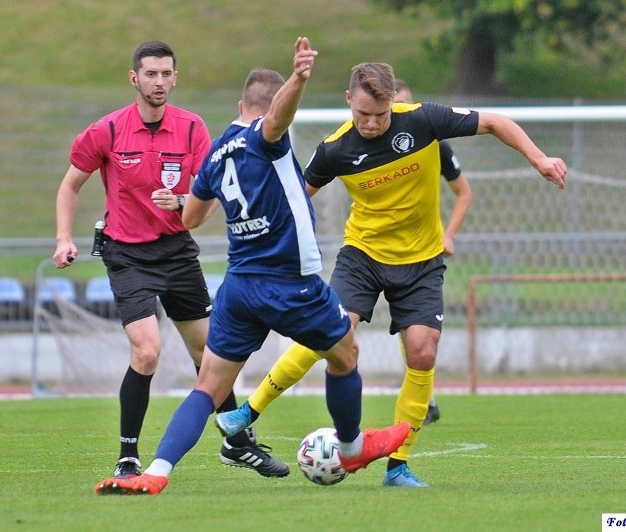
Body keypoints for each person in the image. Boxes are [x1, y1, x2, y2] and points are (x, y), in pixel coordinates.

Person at [216, 62, 566, 488]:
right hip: (362, 255)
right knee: (334, 332)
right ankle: (248, 411)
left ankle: (397, 466)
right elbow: (289, 198)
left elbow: (493, 121)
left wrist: (539, 157)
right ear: (349, 101)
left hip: (420, 261)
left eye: (381, 115)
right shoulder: (334, 150)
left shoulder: (421, 121)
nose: (372, 123)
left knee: (422, 352)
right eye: (364, 114)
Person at [94, 36, 410, 496]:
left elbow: (190, 218)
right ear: (265, 109)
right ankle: (351, 445)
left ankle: (156, 472)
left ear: (240, 102)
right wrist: (300, 78)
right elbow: (278, 119)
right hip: (289, 282)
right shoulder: (266, 137)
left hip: (238, 288)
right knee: (345, 355)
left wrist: (192, 198)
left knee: (209, 386)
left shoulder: (216, 153)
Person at [52, 39, 287, 487]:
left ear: (175, 77)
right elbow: (70, 185)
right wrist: (64, 238)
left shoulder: (194, 129)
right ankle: (127, 457)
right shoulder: (108, 130)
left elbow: (211, 194)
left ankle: (237, 443)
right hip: (127, 254)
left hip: (176, 252)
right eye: (150, 74)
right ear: (134, 78)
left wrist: (181, 200)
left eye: (166, 74)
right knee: (147, 351)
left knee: (210, 356)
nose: (159, 82)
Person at [393, 78, 474, 425]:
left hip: (423, 251)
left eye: (407, 106)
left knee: (419, 327)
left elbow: (464, 193)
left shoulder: (431, 143)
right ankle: (424, 397)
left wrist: (449, 234)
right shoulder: (365, 143)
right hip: (379, 250)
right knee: (396, 324)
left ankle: (426, 397)